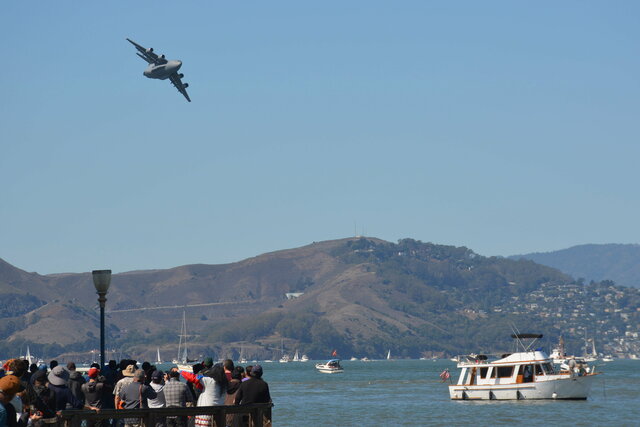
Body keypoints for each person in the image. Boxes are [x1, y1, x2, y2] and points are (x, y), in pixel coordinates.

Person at [181, 361, 227, 427]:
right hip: (220, 410)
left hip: (206, 410)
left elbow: (193, 378)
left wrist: (181, 372)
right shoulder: (225, 384)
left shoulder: (209, 381)